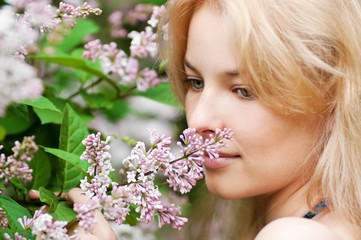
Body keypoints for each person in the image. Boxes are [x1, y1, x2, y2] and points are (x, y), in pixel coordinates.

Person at [58, 0, 361, 239]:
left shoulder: (295, 235)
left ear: (333, 98)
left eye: (244, 91)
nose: (198, 120)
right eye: (195, 82)